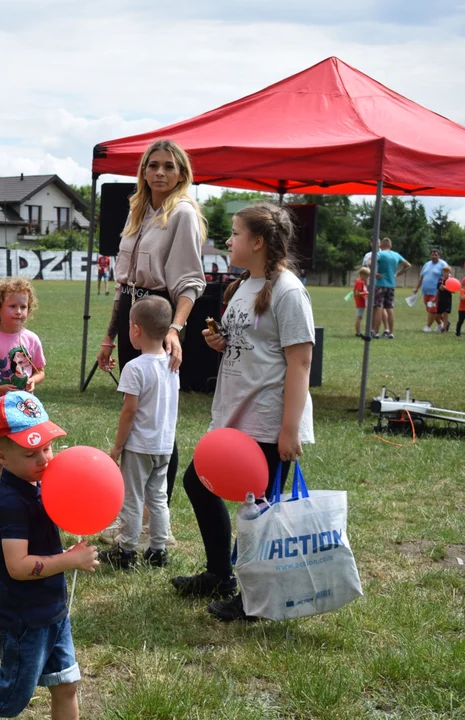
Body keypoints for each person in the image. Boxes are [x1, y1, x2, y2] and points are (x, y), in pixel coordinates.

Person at [171, 203, 315, 622]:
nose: (228, 241)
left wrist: (289, 430)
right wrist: (222, 342)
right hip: (234, 415)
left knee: (260, 512)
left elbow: (300, 362)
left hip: (268, 423)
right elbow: (251, 346)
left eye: (234, 234)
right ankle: (220, 574)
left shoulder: (288, 291)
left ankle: (256, 599)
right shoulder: (242, 286)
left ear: (257, 242)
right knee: (199, 483)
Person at [0, 391, 96, 720]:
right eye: (31, 453)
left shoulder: (38, 485)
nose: (45, 459)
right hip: (25, 619)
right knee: (9, 695)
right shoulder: (11, 502)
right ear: (2, 458)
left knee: (66, 685)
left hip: (52, 611)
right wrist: (68, 559)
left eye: (47, 447)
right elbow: (18, 566)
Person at [96, 139, 205, 516]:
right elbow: (122, 282)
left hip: (163, 315)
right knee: (134, 410)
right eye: (153, 165)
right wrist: (109, 337)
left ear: (181, 174)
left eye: (169, 166)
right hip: (132, 310)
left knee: (156, 417)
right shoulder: (137, 211)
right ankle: (132, 508)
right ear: (143, 171)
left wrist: (174, 329)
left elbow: (191, 282)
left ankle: (153, 513)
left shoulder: (184, 214)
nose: (160, 172)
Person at [102, 295, 178, 571]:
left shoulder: (134, 368)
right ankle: (158, 550)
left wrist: (118, 447)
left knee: (132, 498)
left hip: (139, 446)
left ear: (135, 330)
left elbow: (129, 412)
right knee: (158, 497)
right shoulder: (172, 364)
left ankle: (126, 549)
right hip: (163, 444)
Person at [0, 277, 45, 501]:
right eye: (13, 306)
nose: (19, 311)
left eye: (23, 306)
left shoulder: (31, 339)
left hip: (26, 410)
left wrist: (34, 381)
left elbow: (40, 371)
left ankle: (30, 498)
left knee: (29, 453)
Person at [372, 237, 410, 339]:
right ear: (391, 245)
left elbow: (371, 263)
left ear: (380, 246)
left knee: (378, 307)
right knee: (389, 308)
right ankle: (391, 332)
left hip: (380, 283)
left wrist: (375, 273)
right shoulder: (396, 255)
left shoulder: (379, 254)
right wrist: (396, 274)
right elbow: (408, 265)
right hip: (391, 284)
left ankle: (375, 332)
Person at [414, 248, 448, 332]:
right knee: (430, 309)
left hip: (436, 291)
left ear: (439, 255)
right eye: (432, 254)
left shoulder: (443, 264)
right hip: (426, 291)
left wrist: (443, 287)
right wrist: (416, 288)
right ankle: (442, 324)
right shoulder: (427, 264)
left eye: (436, 254)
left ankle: (427, 327)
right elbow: (421, 277)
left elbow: (447, 277)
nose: (434, 256)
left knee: (432, 310)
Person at [354, 266, 370, 338]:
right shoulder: (359, 282)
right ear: (362, 275)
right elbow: (357, 293)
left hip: (362, 301)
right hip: (360, 301)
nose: (367, 277)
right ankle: (358, 332)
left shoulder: (361, 282)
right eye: (367, 276)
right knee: (359, 316)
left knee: (360, 317)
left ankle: (358, 331)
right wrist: (367, 293)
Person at [435, 266, 453, 332]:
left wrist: (445, 288)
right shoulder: (440, 279)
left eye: (447, 271)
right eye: (444, 271)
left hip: (447, 299)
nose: (445, 273)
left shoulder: (451, 280)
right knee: (437, 315)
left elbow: (453, 291)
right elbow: (438, 289)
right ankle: (447, 323)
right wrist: (435, 297)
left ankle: (444, 328)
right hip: (440, 299)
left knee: (445, 314)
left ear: (450, 272)